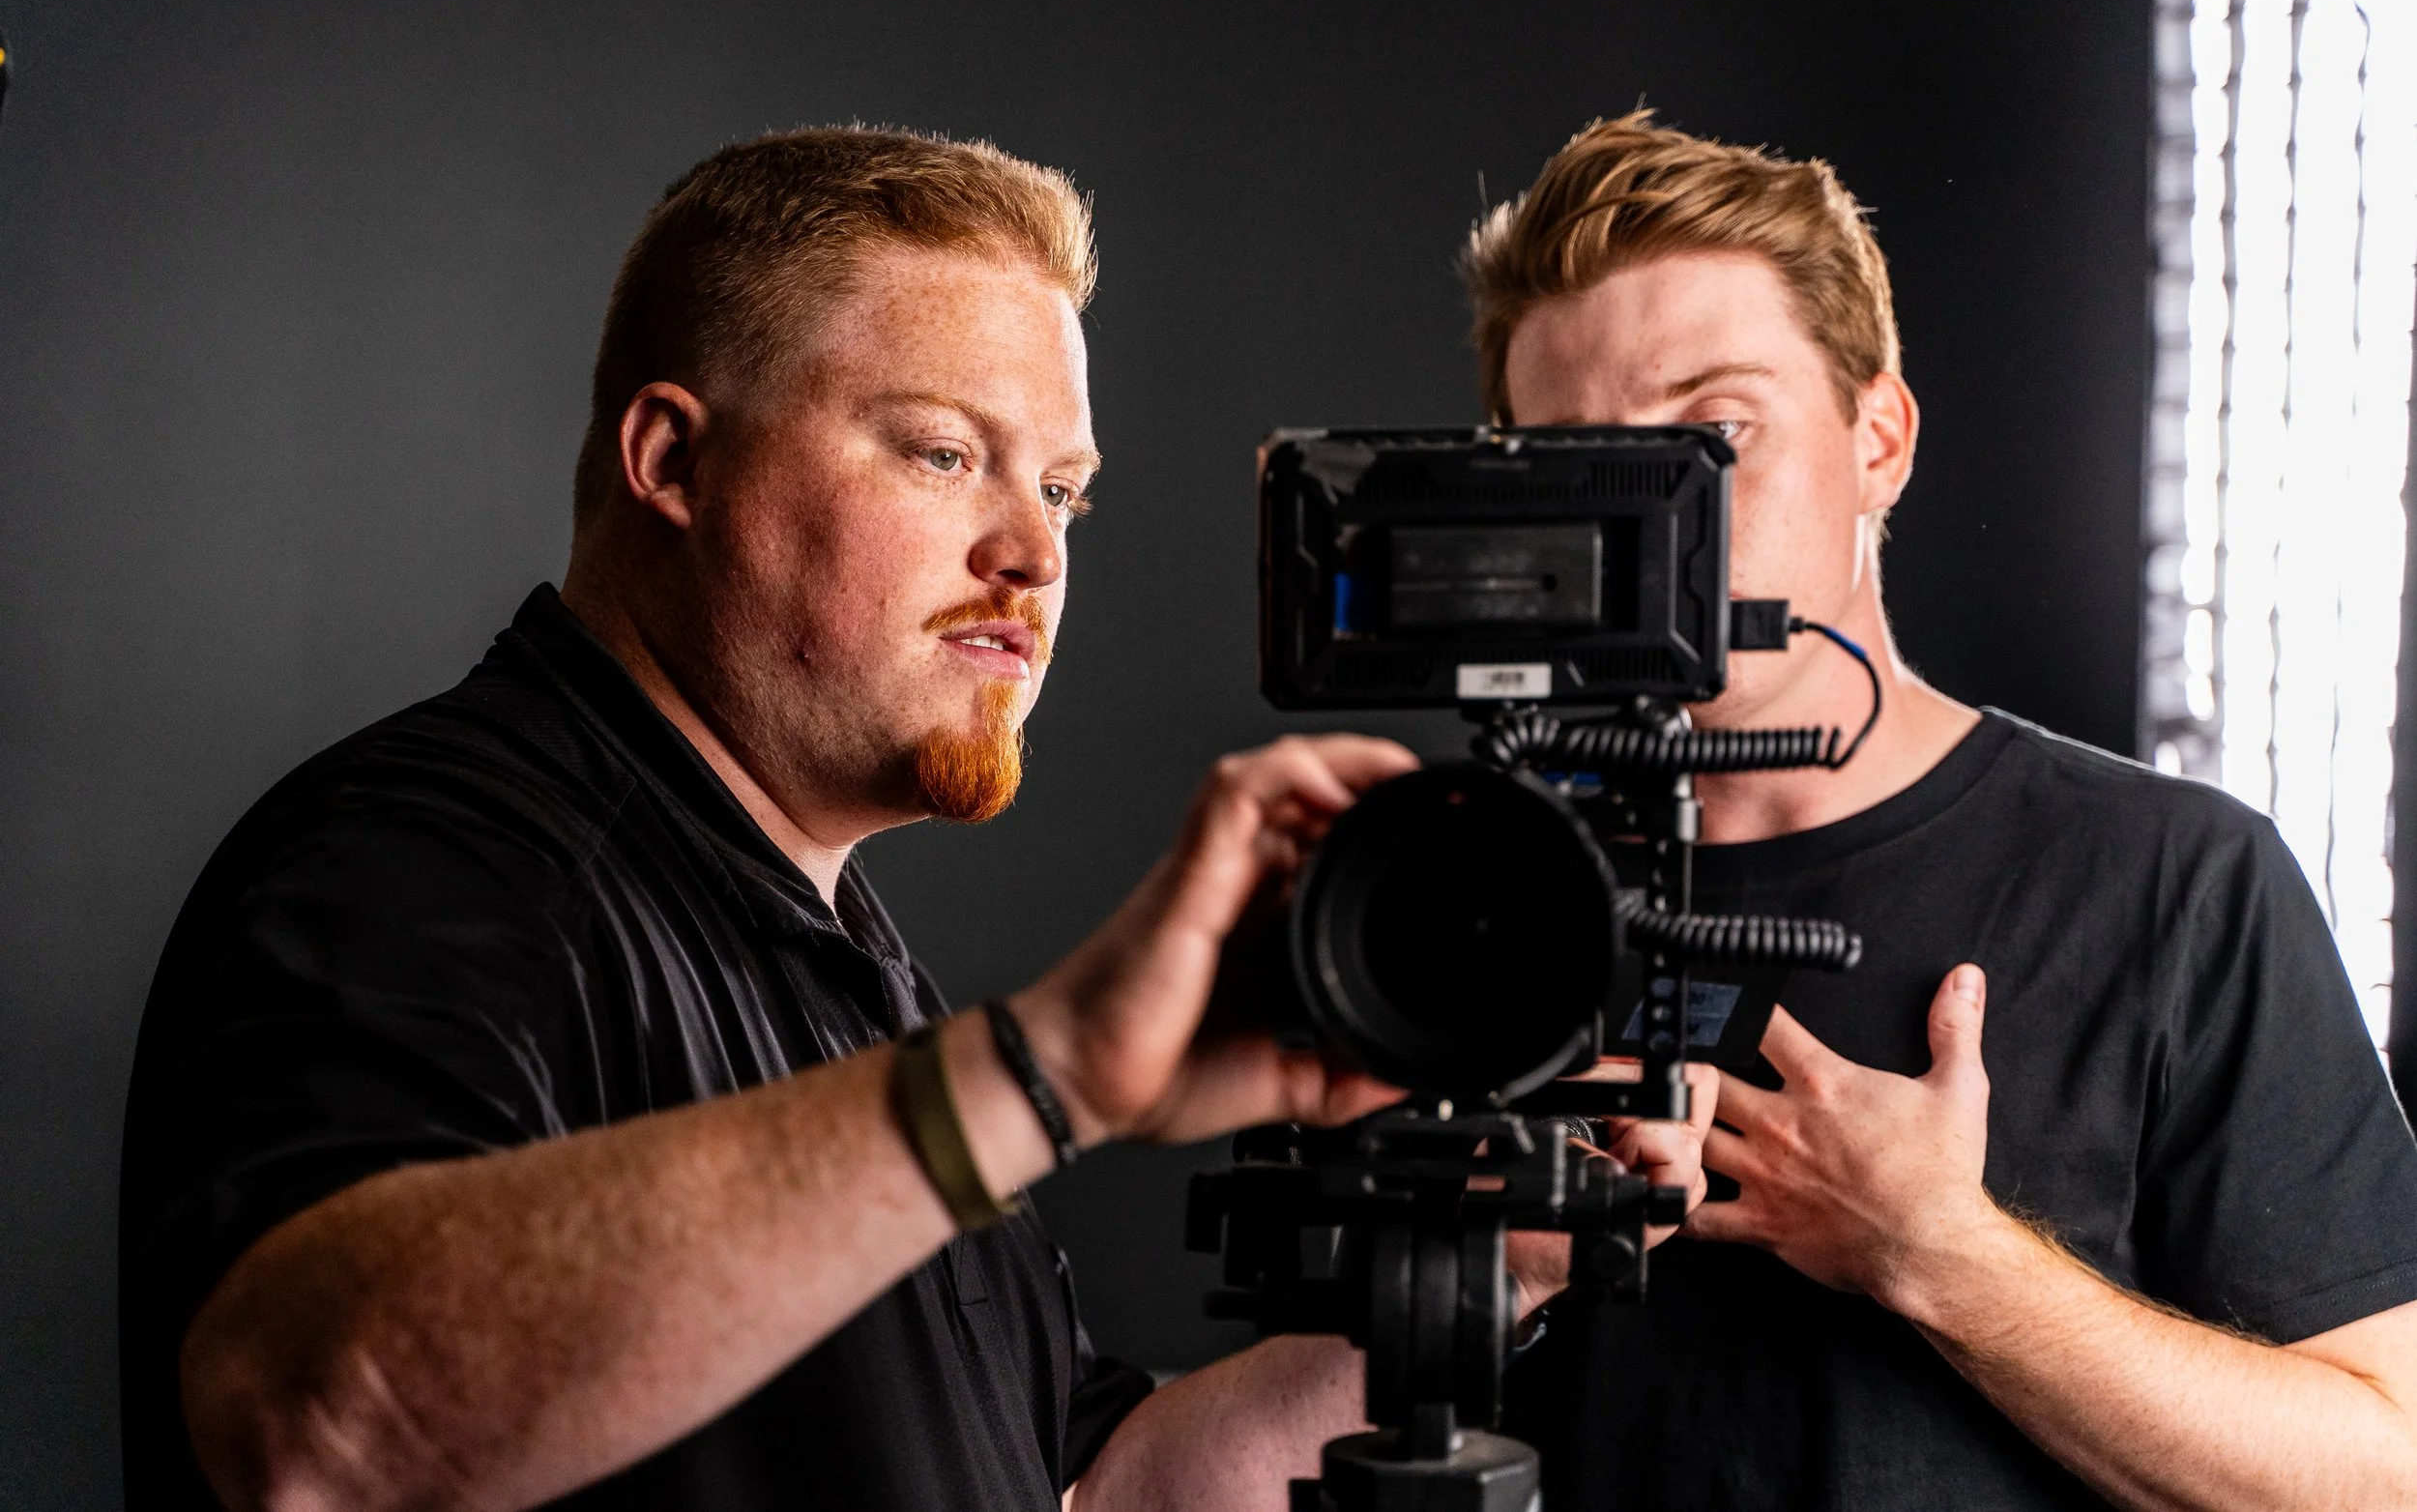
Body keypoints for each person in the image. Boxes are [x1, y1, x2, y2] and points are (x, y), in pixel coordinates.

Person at [120, 127, 1709, 1512]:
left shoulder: (839, 956)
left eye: (1065, 490)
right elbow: (312, 1435)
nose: (1033, 552)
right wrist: (1046, 1072)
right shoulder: (427, 864)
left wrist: (1499, 1263)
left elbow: (1085, 1485)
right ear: (673, 459)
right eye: (945, 453)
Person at [1461, 111, 2417, 1509]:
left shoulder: (2176, 882)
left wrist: (1939, 1250)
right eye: (1581, 464)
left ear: (1880, 437)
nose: (1657, 522)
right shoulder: (1455, 892)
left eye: (1716, 431)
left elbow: (2385, 1468)